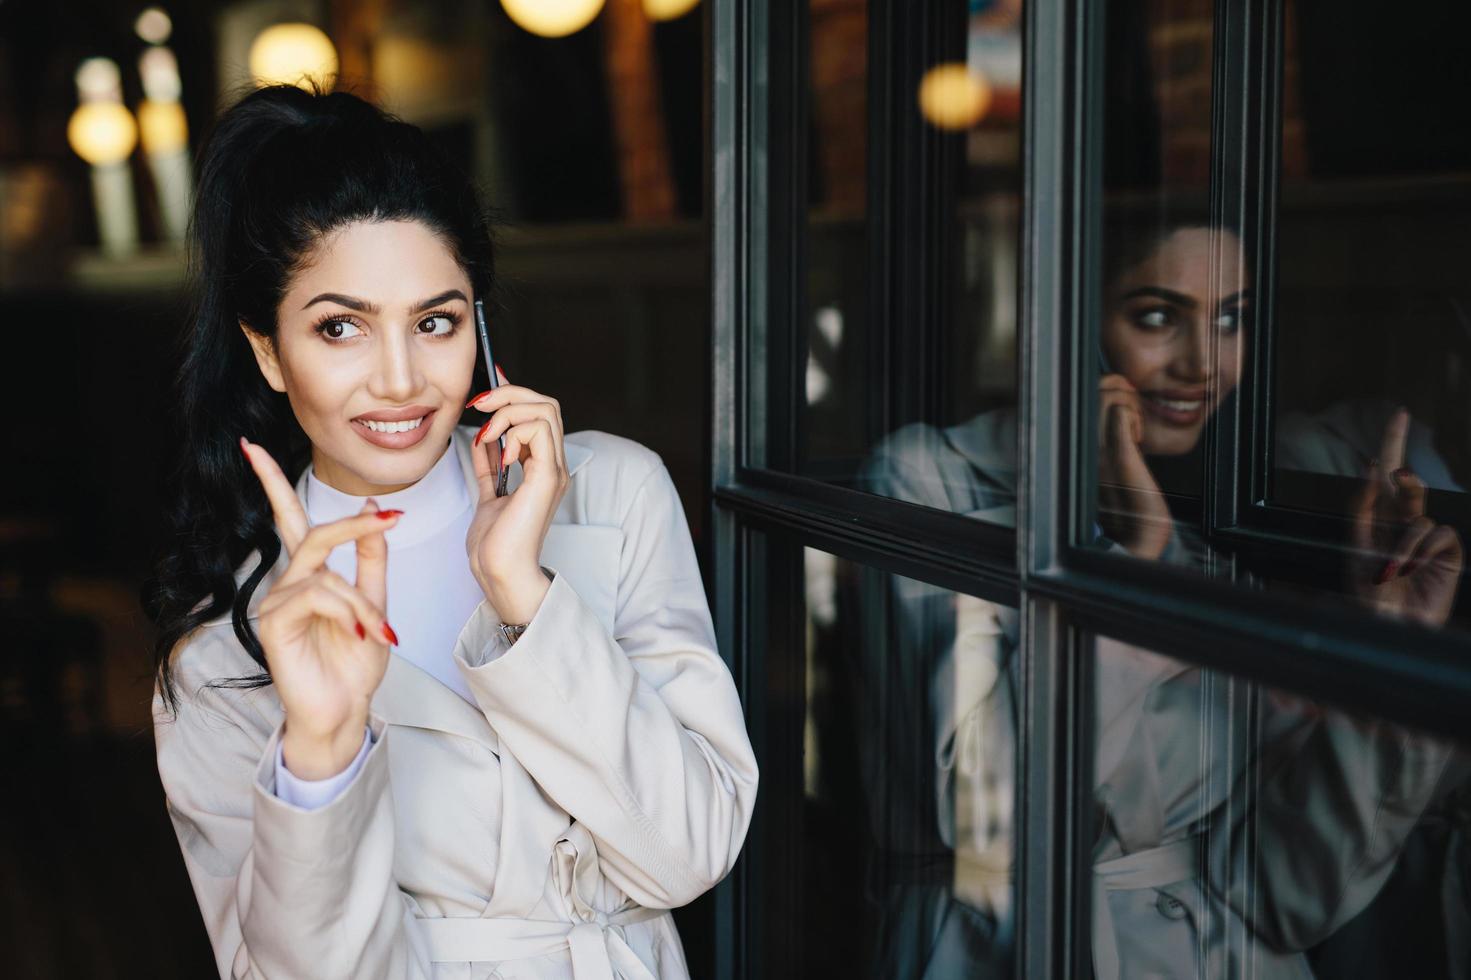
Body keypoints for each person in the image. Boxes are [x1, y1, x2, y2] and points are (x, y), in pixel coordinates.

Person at [141, 83, 758, 980]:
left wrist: (524, 600)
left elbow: (691, 853)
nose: (399, 380)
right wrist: (320, 750)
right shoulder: (220, 655)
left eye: (435, 321)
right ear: (268, 351)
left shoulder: (609, 495)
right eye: (341, 328)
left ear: (479, 326)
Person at [857, 211, 1463, 978]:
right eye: (1156, 317)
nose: (1201, 364)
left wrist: (1385, 646)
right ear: (1070, 316)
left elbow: (1286, 894)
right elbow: (986, 820)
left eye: (1231, 320)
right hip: (997, 950)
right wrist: (1129, 567)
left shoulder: (1234, 523)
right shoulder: (932, 479)